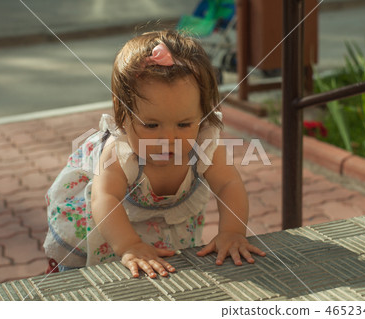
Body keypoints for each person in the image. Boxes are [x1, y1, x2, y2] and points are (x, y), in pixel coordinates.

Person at [43, 30, 265, 278]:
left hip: (163, 227)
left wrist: (232, 231)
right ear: (122, 115)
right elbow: (104, 197)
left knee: (170, 271)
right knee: (79, 275)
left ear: (203, 115)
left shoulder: (204, 143)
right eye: (151, 125)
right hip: (106, 224)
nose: (169, 139)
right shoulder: (120, 152)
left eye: (183, 124)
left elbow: (228, 184)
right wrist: (128, 245)